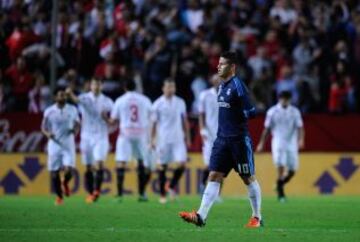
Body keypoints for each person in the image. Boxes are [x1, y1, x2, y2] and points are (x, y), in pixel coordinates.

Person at [179, 51, 263, 228]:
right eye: (218, 63)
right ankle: (200, 216)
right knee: (214, 175)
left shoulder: (238, 85)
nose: (218, 66)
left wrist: (241, 114)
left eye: (222, 64)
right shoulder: (222, 87)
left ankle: (256, 217)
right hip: (221, 140)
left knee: (248, 177)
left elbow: (252, 111)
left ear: (232, 67)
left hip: (238, 141)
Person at [66, 79, 114, 203]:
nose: (96, 86)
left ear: (101, 86)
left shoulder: (108, 101)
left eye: (98, 84)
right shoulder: (84, 98)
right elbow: (75, 100)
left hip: (101, 136)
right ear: (90, 85)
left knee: (99, 164)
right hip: (86, 137)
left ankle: (97, 191)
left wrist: (108, 119)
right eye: (93, 84)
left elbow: (114, 120)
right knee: (88, 167)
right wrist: (70, 92)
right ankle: (91, 192)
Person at [256, 90, 305, 202]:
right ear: (279, 99)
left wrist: (301, 139)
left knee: (292, 170)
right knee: (281, 165)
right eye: (283, 98)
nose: (285, 100)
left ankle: (279, 184)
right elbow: (267, 129)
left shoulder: (295, 112)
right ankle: (281, 194)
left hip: (291, 143)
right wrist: (261, 143)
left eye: (287, 98)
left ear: (290, 99)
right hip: (278, 141)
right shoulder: (272, 112)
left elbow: (300, 127)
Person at [110, 79, 153, 202]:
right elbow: (152, 115)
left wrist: (105, 119)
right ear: (135, 87)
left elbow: (113, 120)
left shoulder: (120, 100)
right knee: (141, 163)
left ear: (125, 88)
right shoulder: (144, 100)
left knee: (121, 162)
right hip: (140, 134)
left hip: (126, 134)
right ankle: (142, 193)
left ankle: (119, 195)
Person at [151, 79, 191, 204]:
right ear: (163, 88)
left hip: (178, 138)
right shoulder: (157, 104)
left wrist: (188, 137)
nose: (170, 89)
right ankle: (162, 195)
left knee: (182, 164)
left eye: (172, 87)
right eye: (168, 87)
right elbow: (153, 123)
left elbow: (185, 121)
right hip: (163, 139)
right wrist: (152, 139)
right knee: (163, 166)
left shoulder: (180, 102)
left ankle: (171, 185)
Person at [41, 87, 80, 205]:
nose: (63, 97)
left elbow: (77, 123)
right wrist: (48, 134)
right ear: (55, 97)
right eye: (60, 95)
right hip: (54, 145)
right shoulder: (49, 111)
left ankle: (65, 182)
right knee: (54, 173)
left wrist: (75, 130)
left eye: (64, 95)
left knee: (70, 170)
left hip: (68, 143)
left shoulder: (73, 109)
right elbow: (43, 127)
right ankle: (59, 197)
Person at [198, 74, 220, 193]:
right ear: (212, 81)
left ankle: (216, 194)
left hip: (223, 135)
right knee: (209, 164)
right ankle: (202, 184)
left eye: (220, 79)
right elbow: (201, 114)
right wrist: (202, 129)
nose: (218, 81)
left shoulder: (227, 95)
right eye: (215, 79)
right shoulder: (204, 95)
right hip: (209, 134)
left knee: (221, 166)